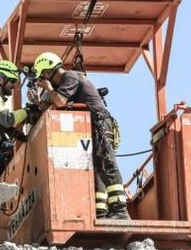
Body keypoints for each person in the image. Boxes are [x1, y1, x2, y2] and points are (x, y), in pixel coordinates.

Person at [32, 51, 130, 220]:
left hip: (100, 124)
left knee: (106, 164)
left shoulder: (70, 76)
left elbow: (60, 102)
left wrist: (48, 89)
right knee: (97, 169)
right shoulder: (64, 82)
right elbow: (55, 106)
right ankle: (102, 212)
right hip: (91, 125)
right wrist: (39, 103)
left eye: (43, 77)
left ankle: (120, 210)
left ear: (47, 73)